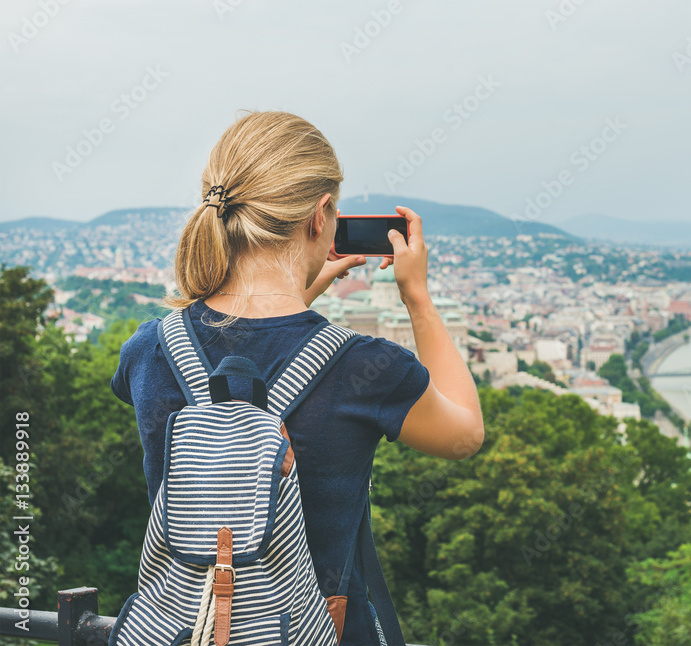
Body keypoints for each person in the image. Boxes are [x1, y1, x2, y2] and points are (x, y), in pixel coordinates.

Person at [111, 111, 485, 645]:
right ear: (322, 214)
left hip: (182, 629)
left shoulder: (149, 349)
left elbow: (236, 371)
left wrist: (296, 294)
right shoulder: (362, 367)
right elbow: (464, 433)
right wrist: (417, 299)